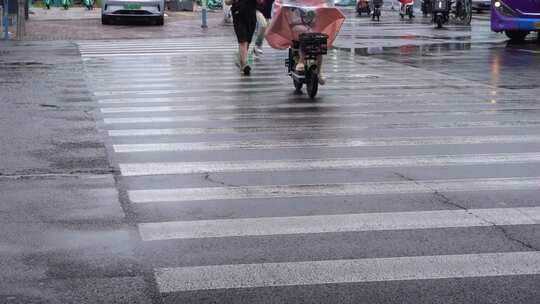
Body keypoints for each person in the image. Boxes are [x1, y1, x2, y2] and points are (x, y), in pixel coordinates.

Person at [225, 0, 261, 75]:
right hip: (238, 15)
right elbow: (227, 2)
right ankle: (244, 65)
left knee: (247, 41)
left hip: (251, 16)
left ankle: (241, 59)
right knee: (243, 41)